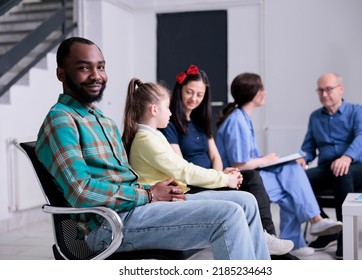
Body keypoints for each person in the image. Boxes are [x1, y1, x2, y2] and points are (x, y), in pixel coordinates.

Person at [35, 37, 270, 260]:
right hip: (110, 226)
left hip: (137, 209)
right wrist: (148, 195)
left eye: (101, 67)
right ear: (61, 73)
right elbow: (81, 192)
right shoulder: (61, 120)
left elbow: (123, 180)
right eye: (84, 68)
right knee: (228, 215)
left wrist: (155, 191)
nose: (96, 75)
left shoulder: (102, 120)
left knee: (246, 201)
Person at [121, 77, 276, 260]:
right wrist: (224, 179)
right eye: (168, 107)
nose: (170, 113)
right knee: (233, 210)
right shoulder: (145, 140)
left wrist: (219, 174)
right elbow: (184, 171)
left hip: (178, 196)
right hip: (164, 203)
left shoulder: (155, 136)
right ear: (154, 109)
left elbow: (183, 168)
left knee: (247, 200)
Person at [159, 64, 296, 260]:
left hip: (212, 179)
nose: (194, 98)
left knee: (250, 176)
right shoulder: (170, 124)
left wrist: (220, 175)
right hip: (193, 184)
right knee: (247, 186)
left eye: (199, 94)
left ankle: (268, 238)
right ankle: (271, 246)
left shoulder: (200, 122)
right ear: (180, 90)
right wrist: (217, 179)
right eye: (189, 92)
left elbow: (215, 156)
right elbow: (181, 166)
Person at [216, 72, 343, 258]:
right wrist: (266, 160)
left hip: (250, 176)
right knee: (290, 181)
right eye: (261, 88)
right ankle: (315, 220)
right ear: (253, 93)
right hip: (239, 180)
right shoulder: (237, 121)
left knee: (290, 183)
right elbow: (239, 164)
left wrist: (266, 159)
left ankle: (298, 240)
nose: (265, 92)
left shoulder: (243, 118)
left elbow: (247, 158)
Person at [296, 72, 362, 260]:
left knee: (341, 173)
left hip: (356, 167)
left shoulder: (357, 111)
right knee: (298, 179)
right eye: (320, 90)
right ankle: (327, 228)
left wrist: (347, 157)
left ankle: (345, 236)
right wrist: (301, 159)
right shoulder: (315, 117)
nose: (324, 94)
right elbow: (308, 148)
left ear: (340, 89)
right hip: (327, 167)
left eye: (328, 89)